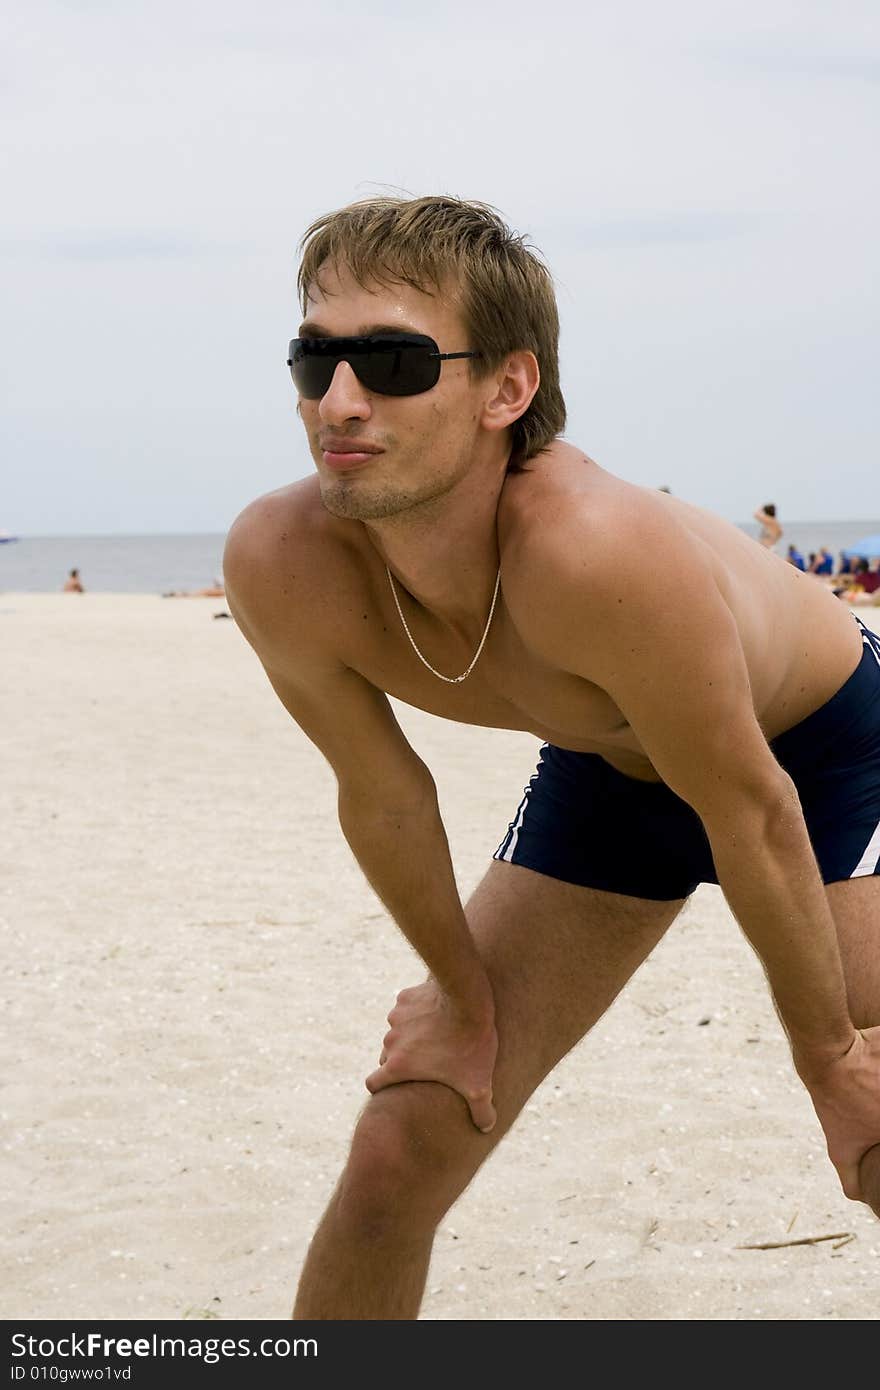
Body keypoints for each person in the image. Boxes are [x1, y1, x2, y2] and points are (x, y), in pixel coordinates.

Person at [222, 195, 880, 1320]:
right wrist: (463, 996)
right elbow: (382, 797)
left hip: (818, 757)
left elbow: (753, 807)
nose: (338, 401)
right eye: (313, 358)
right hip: (610, 774)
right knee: (398, 1152)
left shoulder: (594, 553)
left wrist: (825, 1061)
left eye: (390, 360)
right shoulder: (282, 561)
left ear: (507, 388)